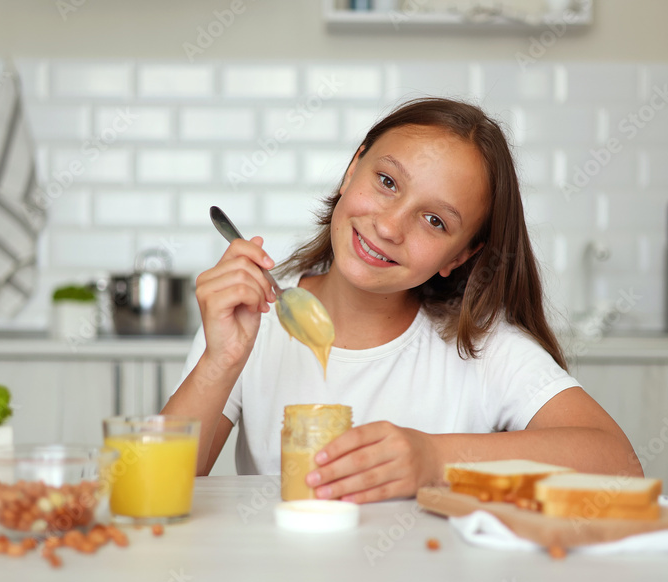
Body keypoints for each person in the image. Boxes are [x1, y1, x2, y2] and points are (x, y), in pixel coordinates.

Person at [164, 97, 641, 504]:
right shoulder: (254, 319)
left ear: (460, 255)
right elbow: (158, 486)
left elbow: (619, 465)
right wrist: (219, 362)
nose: (390, 227)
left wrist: (434, 458)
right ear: (353, 168)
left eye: (435, 221)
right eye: (388, 182)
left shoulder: (481, 346)